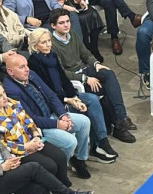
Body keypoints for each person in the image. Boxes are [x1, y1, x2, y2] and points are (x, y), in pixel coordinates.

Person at [27, 26, 119, 162]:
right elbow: (45, 92)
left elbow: (64, 79)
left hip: (66, 96)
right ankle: (89, 150)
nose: (48, 45)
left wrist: (74, 96)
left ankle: (101, 142)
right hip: (55, 102)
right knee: (87, 108)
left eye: (49, 41)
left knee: (93, 100)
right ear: (35, 46)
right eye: (43, 42)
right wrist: (67, 99)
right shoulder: (34, 63)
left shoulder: (52, 56)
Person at [48, 9, 135, 142]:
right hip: (73, 79)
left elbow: (86, 54)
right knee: (105, 90)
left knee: (108, 74)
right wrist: (85, 79)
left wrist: (95, 64)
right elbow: (62, 72)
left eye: (67, 21)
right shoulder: (52, 45)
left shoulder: (73, 35)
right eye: (61, 23)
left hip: (84, 69)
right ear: (53, 26)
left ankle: (121, 118)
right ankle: (118, 127)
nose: (66, 25)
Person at [2, 53, 92, 176]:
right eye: (22, 67)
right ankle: (60, 170)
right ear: (11, 71)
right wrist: (57, 124)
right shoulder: (11, 90)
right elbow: (30, 119)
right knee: (70, 142)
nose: (27, 69)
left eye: (26, 65)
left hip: (52, 115)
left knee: (84, 122)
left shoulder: (31, 74)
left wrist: (63, 115)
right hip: (40, 127)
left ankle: (79, 160)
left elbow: (51, 95)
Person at [0, 81, 71, 187]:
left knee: (60, 157)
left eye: (4, 92)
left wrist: (36, 136)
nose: (4, 97)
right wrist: (27, 146)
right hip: (19, 153)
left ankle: (64, 189)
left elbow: (28, 121)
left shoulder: (12, 103)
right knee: (50, 166)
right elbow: (2, 145)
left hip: (32, 141)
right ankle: (60, 190)